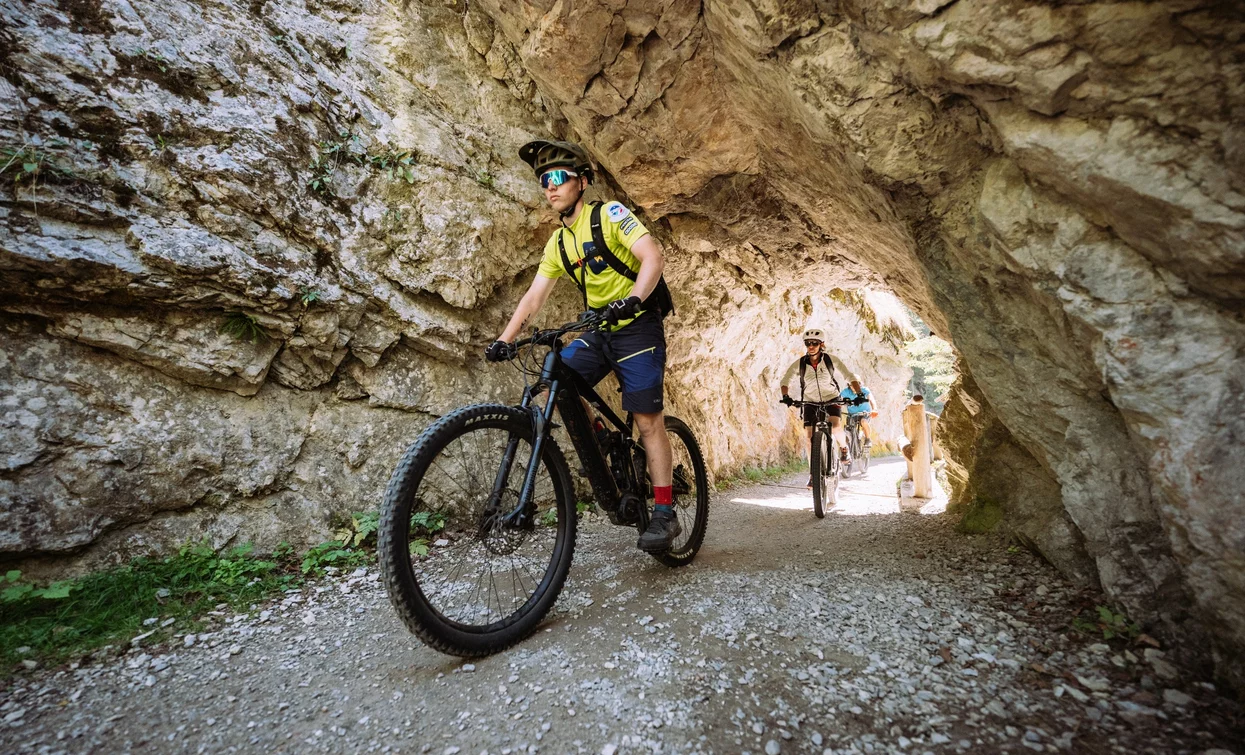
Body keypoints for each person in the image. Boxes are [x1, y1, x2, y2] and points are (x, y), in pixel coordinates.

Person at [484, 139, 680, 553]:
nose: (549, 187)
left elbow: (652, 257)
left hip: (637, 326)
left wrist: (633, 300)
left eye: (557, 178)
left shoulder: (609, 214)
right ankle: (600, 437)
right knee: (559, 376)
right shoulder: (558, 243)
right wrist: (506, 338)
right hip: (599, 329)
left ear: (582, 182)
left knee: (647, 421)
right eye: (543, 181)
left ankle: (664, 511)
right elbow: (534, 297)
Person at [779, 328, 857, 487]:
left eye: (814, 343)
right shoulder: (800, 363)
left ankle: (843, 448)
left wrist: (860, 393)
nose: (811, 346)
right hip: (809, 401)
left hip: (831, 398)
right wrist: (786, 397)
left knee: (835, 426)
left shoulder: (830, 360)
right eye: (808, 343)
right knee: (808, 437)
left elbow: (849, 376)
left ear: (821, 344)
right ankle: (813, 473)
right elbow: (785, 380)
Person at [840, 379, 879, 449]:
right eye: (851, 385)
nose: (853, 387)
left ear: (859, 384)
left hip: (864, 413)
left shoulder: (864, 390)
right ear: (849, 385)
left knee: (864, 421)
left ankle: (868, 439)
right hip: (852, 414)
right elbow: (840, 398)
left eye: (856, 384)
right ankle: (849, 448)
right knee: (847, 429)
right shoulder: (846, 391)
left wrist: (874, 409)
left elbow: (871, 399)